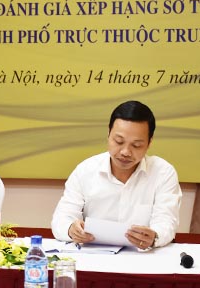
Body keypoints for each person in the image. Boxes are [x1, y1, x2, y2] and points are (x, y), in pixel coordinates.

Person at [51, 100, 181, 250]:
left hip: (142, 257)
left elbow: (166, 222)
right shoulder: (85, 171)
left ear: (149, 143)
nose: (125, 152)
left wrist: (154, 237)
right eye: (119, 141)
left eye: (136, 145)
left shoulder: (163, 173)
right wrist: (71, 229)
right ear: (108, 134)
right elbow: (62, 219)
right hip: (93, 257)